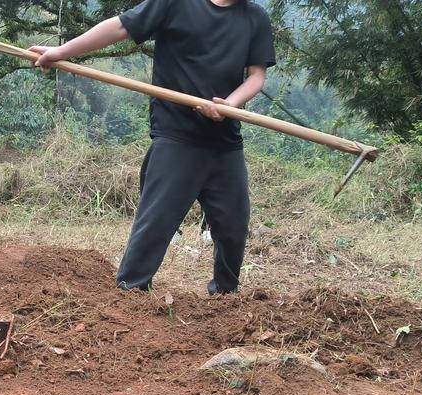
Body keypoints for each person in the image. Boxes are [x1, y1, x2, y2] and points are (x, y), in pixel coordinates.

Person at [30, 0, 276, 295]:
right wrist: (61, 51)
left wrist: (231, 105)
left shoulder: (255, 17)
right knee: (156, 224)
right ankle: (131, 292)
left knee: (234, 226)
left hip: (226, 141)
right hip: (177, 135)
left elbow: (256, 75)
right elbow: (121, 25)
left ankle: (226, 297)